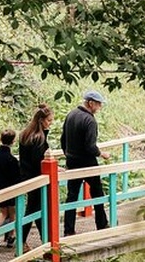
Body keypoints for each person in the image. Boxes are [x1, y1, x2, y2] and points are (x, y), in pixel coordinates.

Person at [61, 91, 111, 236]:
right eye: (98, 104)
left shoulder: (71, 115)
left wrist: (68, 155)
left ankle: (68, 230)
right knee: (97, 193)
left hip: (72, 161)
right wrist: (102, 154)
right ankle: (101, 225)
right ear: (90, 103)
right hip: (87, 162)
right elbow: (90, 146)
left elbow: (63, 139)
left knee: (72, 196)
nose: (100, 107)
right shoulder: (89, 120)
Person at [18, 104, 53, 249]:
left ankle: (45, 239)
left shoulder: (26, 134)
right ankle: (43, 240)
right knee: (34, 208)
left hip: (26, 176)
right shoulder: (38, 138)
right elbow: (39, 161)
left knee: (35, 208)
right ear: (41, 121)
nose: (51, 123)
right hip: (37, 178)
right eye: (49, 121)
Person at [0, 129, 20, 248]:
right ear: (13, 141)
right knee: (11, 212)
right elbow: (16, 176)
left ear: (0, 139)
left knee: (3, 212)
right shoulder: (11, 159)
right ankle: (8, 236)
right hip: (10, 189)